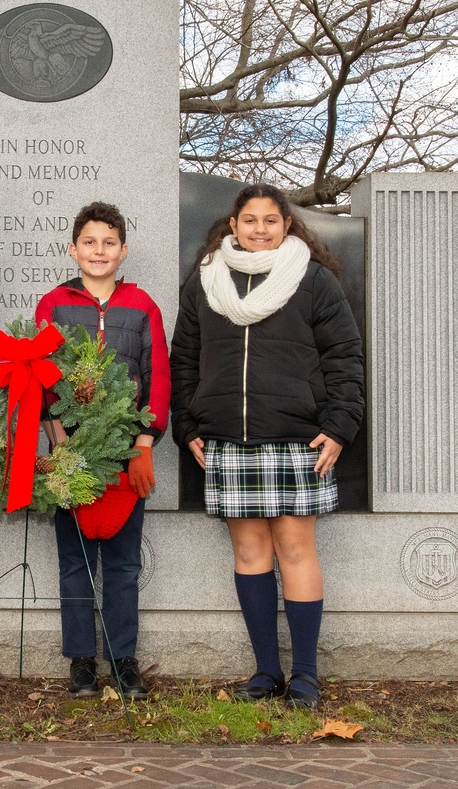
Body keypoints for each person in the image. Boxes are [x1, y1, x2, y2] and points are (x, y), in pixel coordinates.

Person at [170, 184, 363, 710]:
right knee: (250, 553)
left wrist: (341, 424)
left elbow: (345, 356)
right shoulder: (206, 281)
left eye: (270, 220)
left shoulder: (313, 279)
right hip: (229, 440)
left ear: (287, 225)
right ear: (232, 224)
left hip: (298, 439)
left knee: (297, 550)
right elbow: (183, 359)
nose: (259, 229)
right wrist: (187, 425)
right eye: (249, 220)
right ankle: (265, 672)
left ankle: (305, 676)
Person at [35, 202, 171, 700]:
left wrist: (144, 445)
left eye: (108, 242)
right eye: (89, 242)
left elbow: (158, 378)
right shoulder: (53, 304)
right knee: (74, 560)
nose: (99, 251)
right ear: (73, 249)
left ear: (123, 250)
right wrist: (58, 443)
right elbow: (43, 377)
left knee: (122, 562)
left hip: (123, 456)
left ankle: (123, 657)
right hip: (71, 451)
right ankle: (81, 661)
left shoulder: (143, 306)